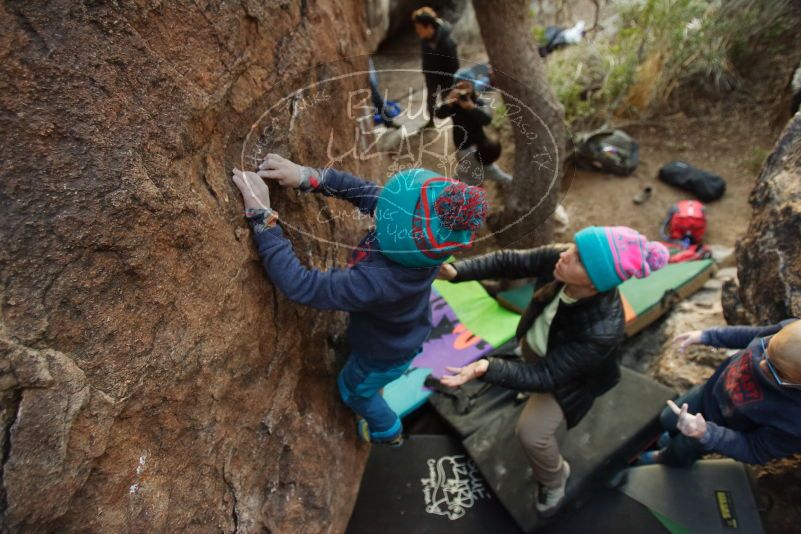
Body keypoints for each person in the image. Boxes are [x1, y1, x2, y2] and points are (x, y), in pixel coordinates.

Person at [231, 155, 488, 446]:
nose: (380, 204)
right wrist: (307, 175)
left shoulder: (379, 282)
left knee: (354, 391)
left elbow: (302, 286)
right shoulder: (413, 234)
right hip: (402, 330)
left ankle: (389, 431)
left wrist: (263, 218)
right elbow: (363, 191)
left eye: (388, 208)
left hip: (384, 355)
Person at [438, 226, 668, 516]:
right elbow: (511, 261)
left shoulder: (601, 330)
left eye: (580, 259)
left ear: (595, 285)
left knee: (532, 434)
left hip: (570, 379)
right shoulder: (563, 261)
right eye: (574, 246)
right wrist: (457, 273)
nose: (566, 255)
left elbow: (548, 377)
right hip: (539, 351)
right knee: (525, 368)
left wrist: (488, 367)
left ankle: (555, 479)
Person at [639, 319, 801, 466]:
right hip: (709, 392)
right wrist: (708, 336)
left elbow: (755, 450)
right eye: (766, 349)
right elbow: (752, 335)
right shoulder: (788, 334)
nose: (760, 364)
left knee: (681, 449)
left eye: (775, 371)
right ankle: (665, 438)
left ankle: (662, 457)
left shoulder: (795, 421)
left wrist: (707, 434)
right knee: (668, 418)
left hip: (718, 427)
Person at [436, 68, 512, 183]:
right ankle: (467, 183)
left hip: (480, 142)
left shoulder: (478, 102)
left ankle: (479, 179)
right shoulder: (453, 104)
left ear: (472, 86)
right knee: (466, 167)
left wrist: (471, 108)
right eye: (459, 86)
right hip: (462, 143)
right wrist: (448, 101)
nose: (464, 90)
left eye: (467, 85)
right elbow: (439, 115)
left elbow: (487, 120)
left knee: (484, 165)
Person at [412, 7, 459, 128]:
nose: (417, 31)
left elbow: (453, 66)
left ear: (428, 27)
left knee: (450, 103)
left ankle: (458, 123)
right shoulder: (425, 39)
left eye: (419, 28)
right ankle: (431, 121)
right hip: (431, 77)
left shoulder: (447, 42)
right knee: (430, 101)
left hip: (446, 79)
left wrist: (447, 81)